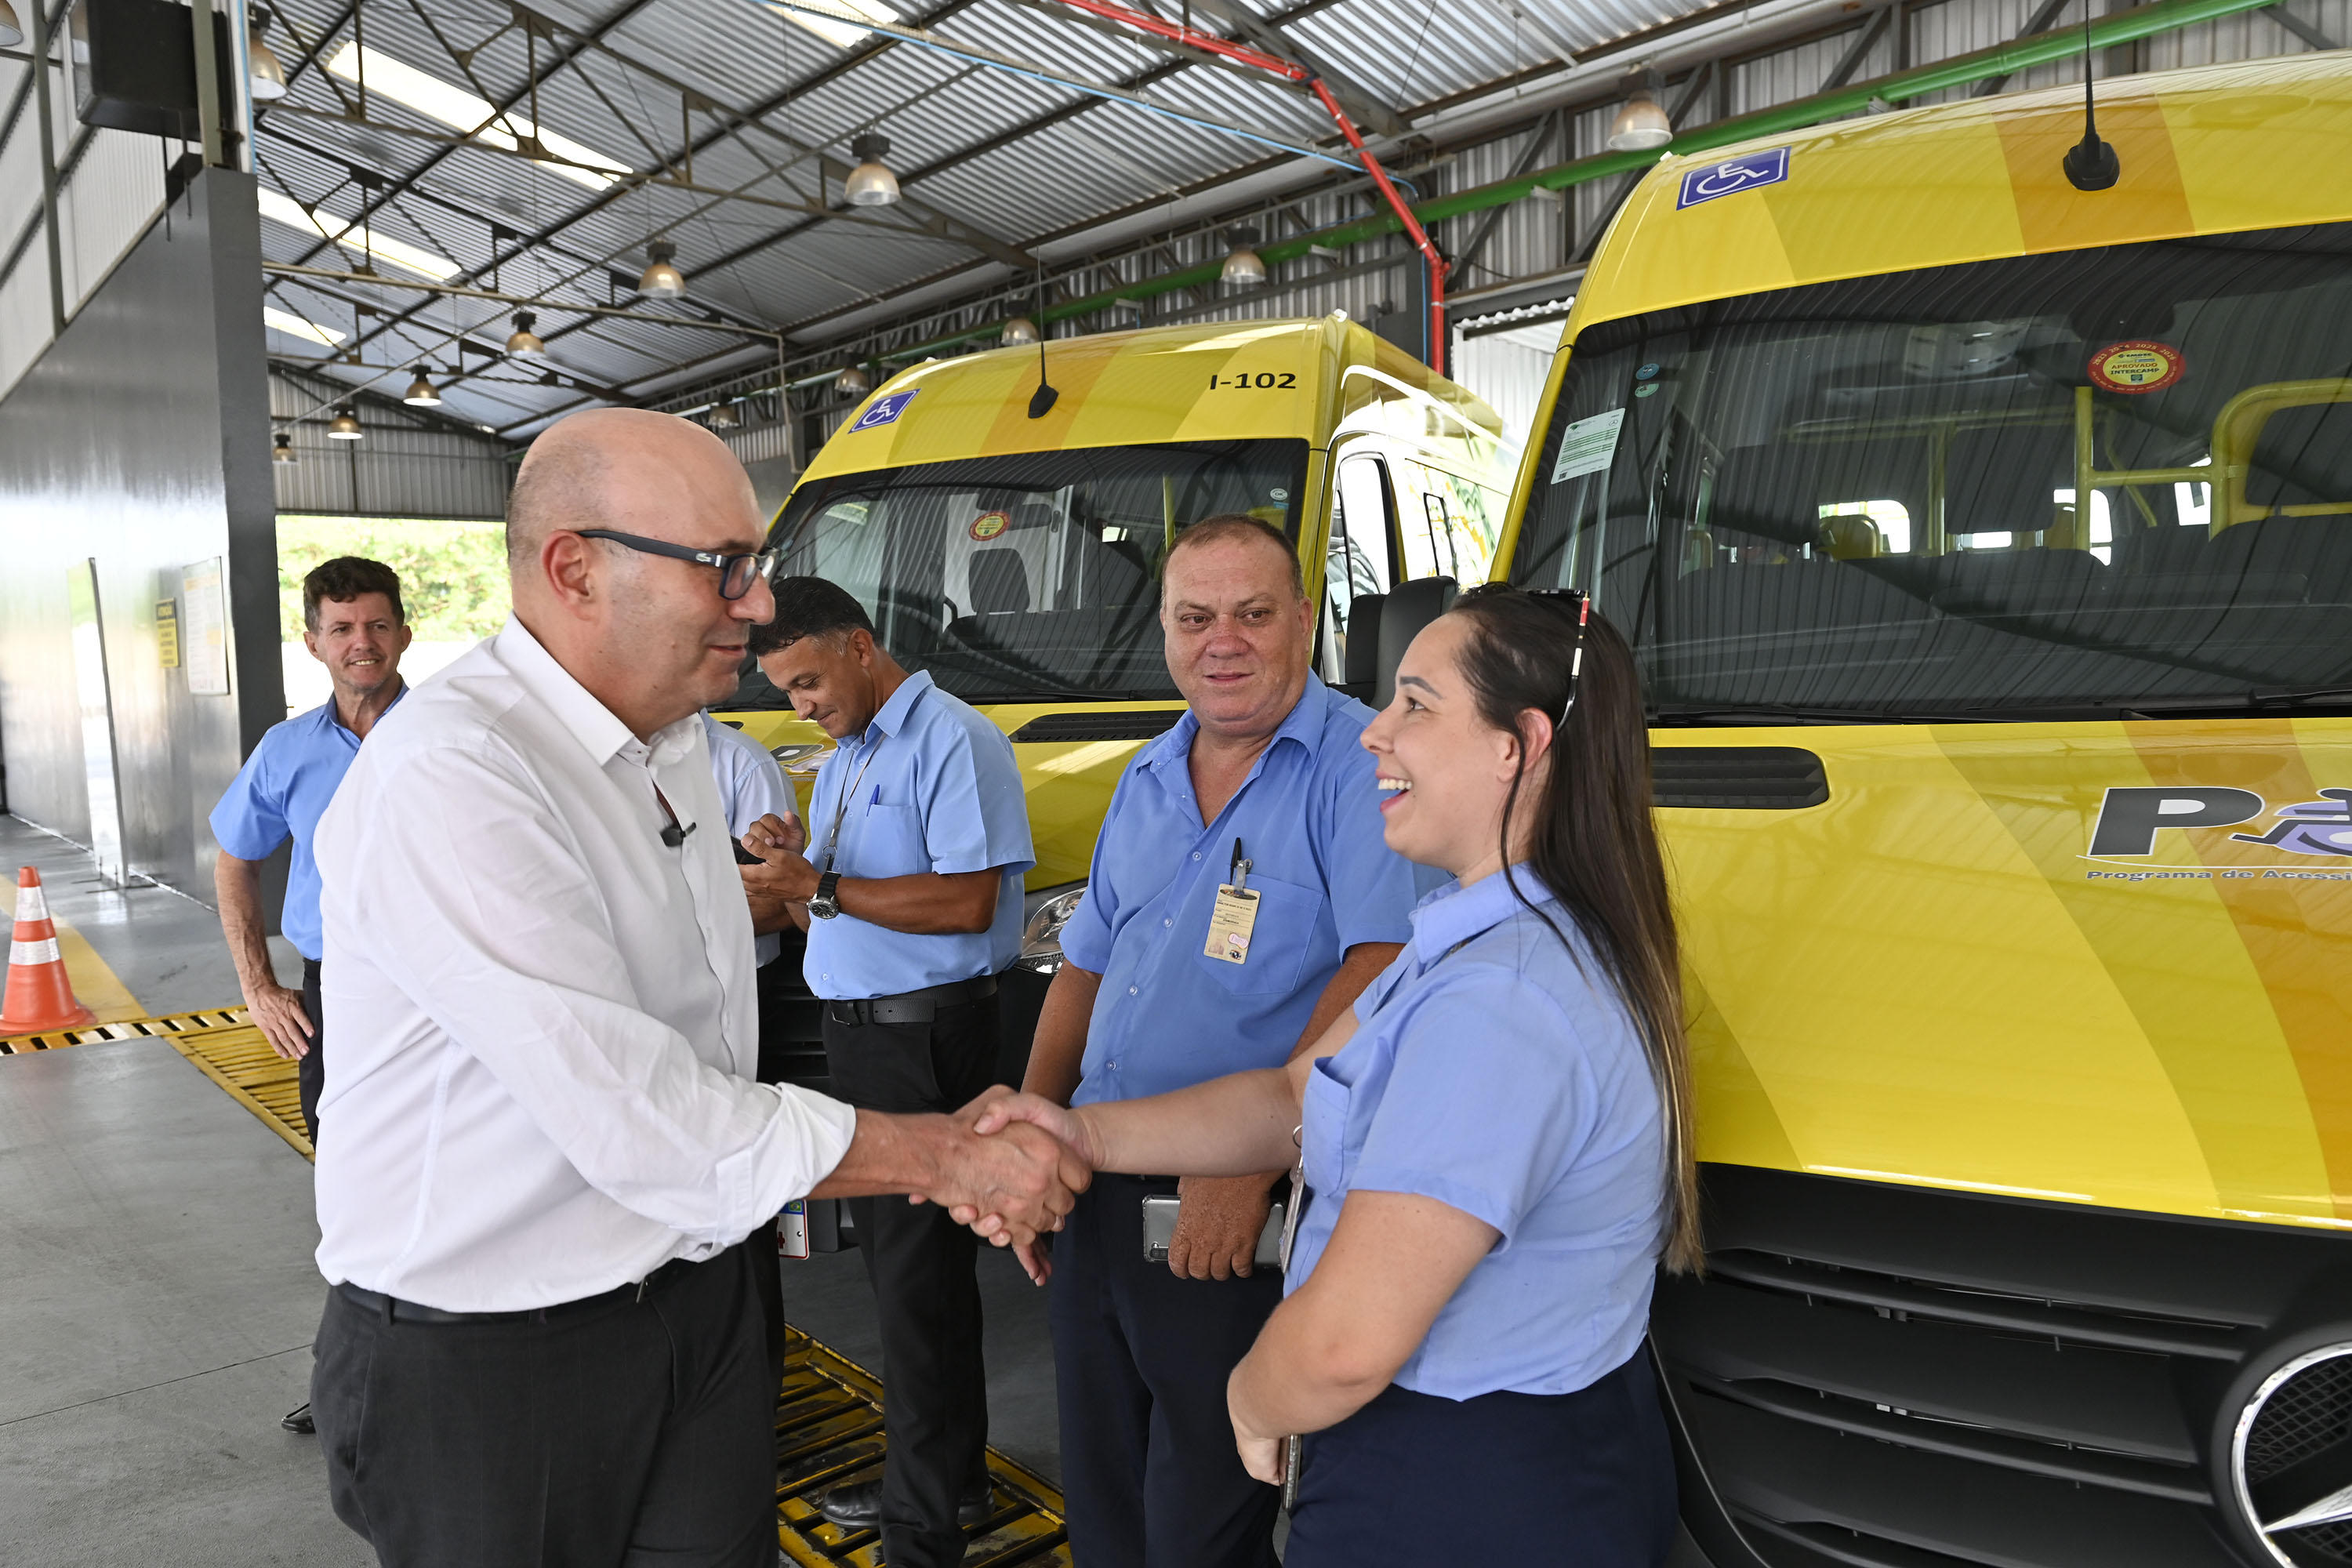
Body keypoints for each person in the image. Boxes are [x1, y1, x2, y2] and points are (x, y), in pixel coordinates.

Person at [305, 408, 1080, 1568]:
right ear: (576, 568)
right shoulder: (457, 772)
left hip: (698, 1292)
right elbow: (638, 1109)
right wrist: (949, 1156)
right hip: (500, 1356)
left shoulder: (670, 748)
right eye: (727, 569)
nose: (759, 602)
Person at [967, 586, 1700, 1565]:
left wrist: (1250, 1394)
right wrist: (1084, 1134)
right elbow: (1289, 1097)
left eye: (1417, 705)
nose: (1375, 735)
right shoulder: (1472, 943)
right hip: (1463, 1455)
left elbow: (1347, 1340)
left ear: (1516, 744)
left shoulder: (1502, 1002)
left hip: (1464, 1480)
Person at [1016, 514, 1426, 1568]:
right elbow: (1087, 969)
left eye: (1252, 615)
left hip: (1219, 1207)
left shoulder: (1359, 766)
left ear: (1302, 620)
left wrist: (1263, 1156)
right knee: (1102, 1485)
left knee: (1203, 1507)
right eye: (1196, 618)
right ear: (1166, 632)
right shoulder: (1147, 774)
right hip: (1095, 1182)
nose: (1223, 642)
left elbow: (1382, 970)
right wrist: (1030, 1139)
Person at [736, 576, 1035, 1568]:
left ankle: (920, 1532)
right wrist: (794, 859)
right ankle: (944, 1474)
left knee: (914, 1280)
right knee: (921, 1279)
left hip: (924, 1037)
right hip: (869, 1032)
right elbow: (833, 900)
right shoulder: (853, 755)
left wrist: (817, 882)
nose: (802, 706)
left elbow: (963, 903)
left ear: (862, 646)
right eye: (786, 691)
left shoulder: (955, 740)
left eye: (810, 680)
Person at [209, 554, 408, 1439]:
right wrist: (258, 983)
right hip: (339, 995)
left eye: (375, 623)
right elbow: (234, 856)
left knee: (461, 1174)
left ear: (402, 629)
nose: (360, 642)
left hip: (451, 989)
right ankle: (355, 1385)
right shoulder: (287, 750)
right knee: (350, 1189)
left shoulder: (456, 730)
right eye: (341, 627)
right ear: (313, 639)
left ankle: (455, 1371)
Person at [700, 709, 798, 1401]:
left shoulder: (740, 764)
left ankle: (753, 1397)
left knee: (738, 1199)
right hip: (633, 1002)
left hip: (731, 1002)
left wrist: (671, 923)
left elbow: (780, 903)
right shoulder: (592, 759)